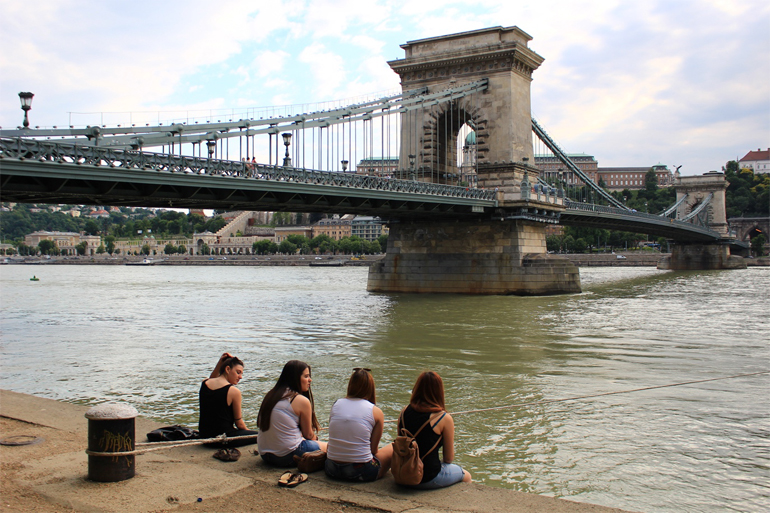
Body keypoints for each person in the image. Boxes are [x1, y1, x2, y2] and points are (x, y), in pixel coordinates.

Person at [396, 371, 471, 488]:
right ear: (439, 391)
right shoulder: (443, 418)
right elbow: (448, 458)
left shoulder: (404, 412)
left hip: (402, 474)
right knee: (466, 475)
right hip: (427, 477)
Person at [325, 368, 393, 481]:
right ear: (370, 388)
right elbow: (373, 451)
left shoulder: (336, 404)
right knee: (393, 448)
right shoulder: (376, 411)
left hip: (331, 468)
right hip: (360, 472)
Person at [257, 360, 327, 467]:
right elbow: (309, 435)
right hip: (286, 457)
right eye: (306, 376)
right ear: (295, 378)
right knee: (329, 447)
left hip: (265, 455)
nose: (310, 380)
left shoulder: (271, 395)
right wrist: (315, 439)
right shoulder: (300, 400)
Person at [199, 353, 258, 447]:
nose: (241, 377)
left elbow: (213, 379)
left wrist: (220, 363)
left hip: (204, 437)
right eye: (238, 372)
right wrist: (248, 434)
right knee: (261, 436)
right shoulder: (234, 391)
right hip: (223, 439)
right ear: (227, 369)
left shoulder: (205, 383)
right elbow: (239, 424)